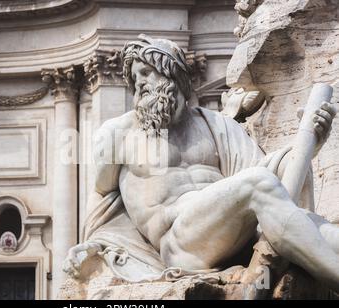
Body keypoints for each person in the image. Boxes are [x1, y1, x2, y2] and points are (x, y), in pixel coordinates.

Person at [64, 34, 339, 291]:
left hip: (229, 233)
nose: (140, 85)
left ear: (172, 73)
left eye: (146, 73)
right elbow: (101, 198)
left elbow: (268, 170)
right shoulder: (119, 133)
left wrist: (310, 145)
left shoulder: (216, 124)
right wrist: (92, 246)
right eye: (135, 80)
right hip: (179, 246)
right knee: (259, 183)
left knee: (321, 230)